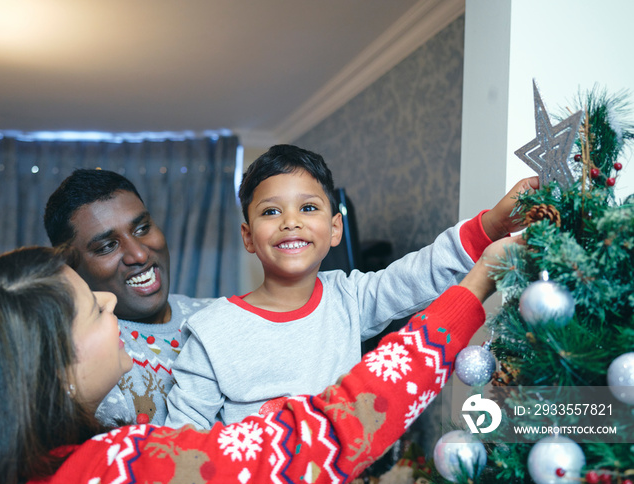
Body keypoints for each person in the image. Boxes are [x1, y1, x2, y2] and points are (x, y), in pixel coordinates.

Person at [0, 238, 509, 484]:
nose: (110, 304)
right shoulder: (120, 473)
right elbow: (326, 434)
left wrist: (476, 235)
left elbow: (394, 286)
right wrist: (474, 288)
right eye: (92, 308)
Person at [164, 144, 538, 430]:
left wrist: (488, 226)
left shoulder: (349, 298)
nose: (290, 222)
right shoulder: (212, 331)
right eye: (271, 211)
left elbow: (418, 274)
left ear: (335, 229)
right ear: (248, 237)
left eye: (308, 208)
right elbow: (181, 444)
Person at [44, 169, 213, 426]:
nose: (139, 255)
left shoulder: (220, 316)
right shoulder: (88, 358)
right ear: (70, 267)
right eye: (107, 246)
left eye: (143, 228)